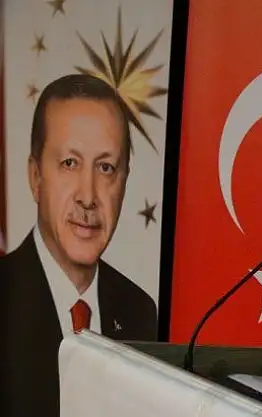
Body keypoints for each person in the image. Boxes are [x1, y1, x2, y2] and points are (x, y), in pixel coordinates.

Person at [0, 74, 158, 417]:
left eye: (106, 167)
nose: (88, 196)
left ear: (124, 182)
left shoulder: (140, 312)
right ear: (36, 177)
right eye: (69, 163)